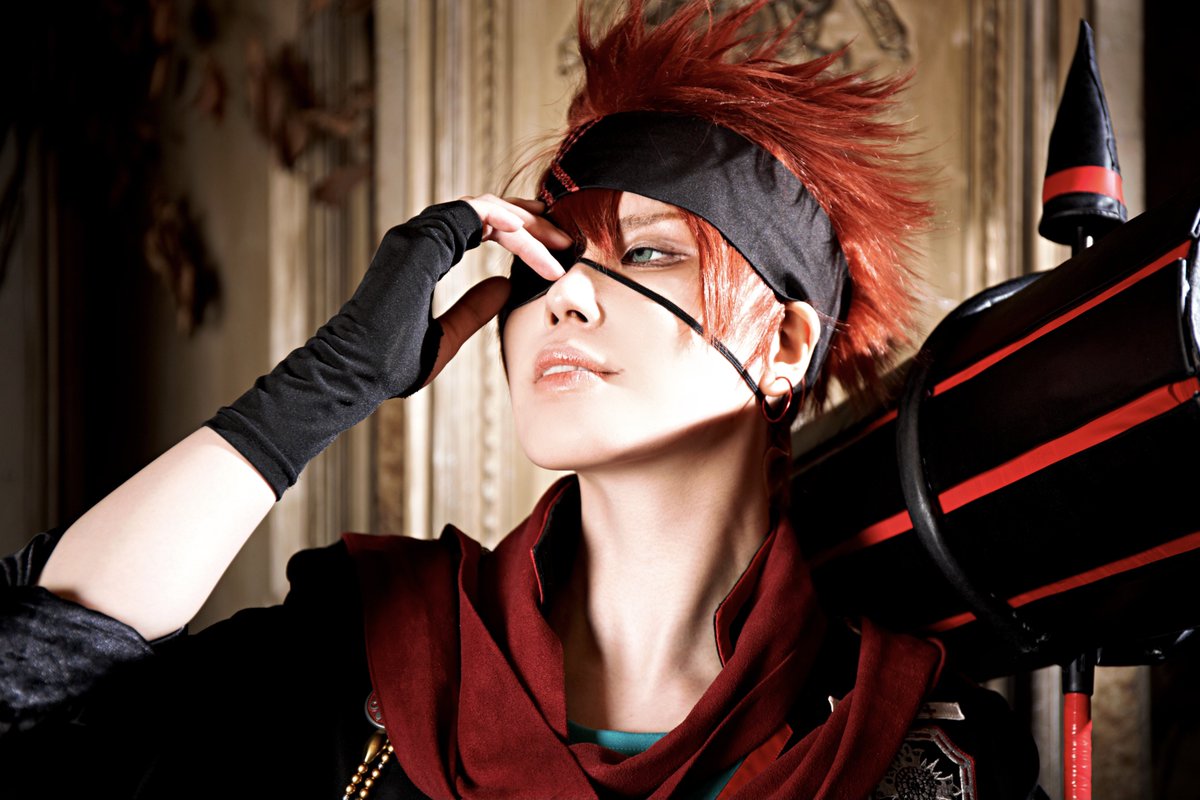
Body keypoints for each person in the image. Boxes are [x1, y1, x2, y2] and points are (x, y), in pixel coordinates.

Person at [1, 1, 1042, 797]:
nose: (567, 296)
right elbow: (29, 705)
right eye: (548, 260)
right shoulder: (359, 657)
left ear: (782, 344)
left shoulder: (928, 753)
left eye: (647, 252)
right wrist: (317, 388)